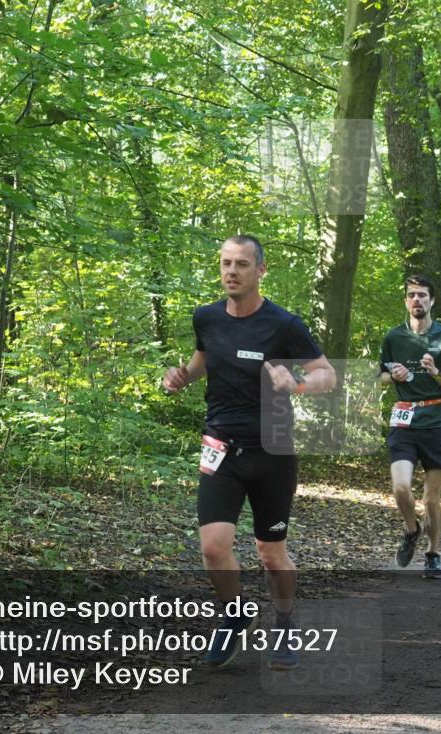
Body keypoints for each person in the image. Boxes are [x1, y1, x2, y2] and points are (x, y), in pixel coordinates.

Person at [163, 235, 336, 670]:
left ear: (260, 270)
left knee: (270, 552)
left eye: (241, 263)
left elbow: (326, 375)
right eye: (225, 263)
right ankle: (235, 615)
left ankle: (283, 624)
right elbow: (202, 358)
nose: (231, 271)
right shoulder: (206, 318)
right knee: (214, 548)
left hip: (273, 450)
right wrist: (183, 376)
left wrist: (297, 384)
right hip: (220, 445)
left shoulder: (284, 324)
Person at [380, 274, 441, 580]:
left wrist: (435, 371)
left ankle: (432, 553)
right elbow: (380, 377)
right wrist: (394, 376)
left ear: (432, 301)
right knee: (400, 487)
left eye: (422, 295)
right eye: (412, 295)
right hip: (403, 420)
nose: (417, 300)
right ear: (406, 300)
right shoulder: (393, 338)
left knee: (431, 498)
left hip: (437, 421)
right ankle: (411, 529)